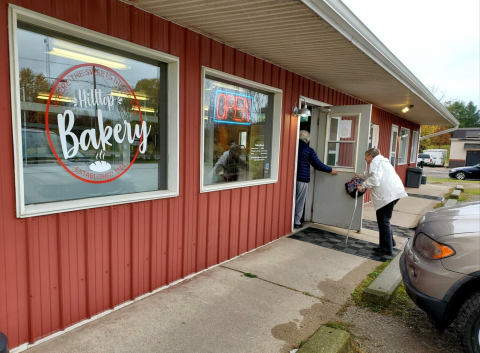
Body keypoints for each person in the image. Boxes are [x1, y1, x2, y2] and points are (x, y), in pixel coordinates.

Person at [356, 148, 408, 255]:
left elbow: (375, 178)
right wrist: (361, 176)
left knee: (383, 220)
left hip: (387, 195)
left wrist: (363, 185)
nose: (365, 159)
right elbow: (371, 174)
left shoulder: (375, 162)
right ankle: (389, 243)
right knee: (384, 220)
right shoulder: (381, 161)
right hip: (393, 193)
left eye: (366, 156)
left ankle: (386, 249)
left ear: (370, 156)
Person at [295, 130, 338, 229]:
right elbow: (318, 165)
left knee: (289, 200)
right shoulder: (308, 150)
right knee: (299, 201)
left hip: (290, 178)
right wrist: (330, 169)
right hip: (302, 179)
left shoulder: (292, 146)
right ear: (307, 140)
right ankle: (296, 222)